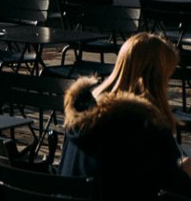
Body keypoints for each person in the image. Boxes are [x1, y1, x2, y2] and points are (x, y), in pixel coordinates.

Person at [59, 31, 191, 200]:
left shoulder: (80, 110)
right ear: (156, 80)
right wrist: (185, 171)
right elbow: (174, 188)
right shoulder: (146, 126)